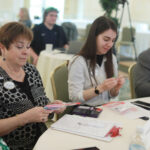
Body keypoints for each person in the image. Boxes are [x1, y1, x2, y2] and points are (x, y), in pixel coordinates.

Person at [0, 22, 65, 150]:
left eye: (28, 46)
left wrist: (52, 106)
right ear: (2, 48)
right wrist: (23, 119)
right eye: (19, 47)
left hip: (42, 140)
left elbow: (41, 102)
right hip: (12, 146)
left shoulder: (31, 70)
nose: (26, 52)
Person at [68, 16, 125, 106]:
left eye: (113, 40)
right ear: (94, 36)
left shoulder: (112, 58)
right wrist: (100, 88)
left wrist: (116, 88)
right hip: (85, 111)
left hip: (105, 109)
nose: (110, 44)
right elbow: (74, 97)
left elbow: (111, 95)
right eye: (106, 39)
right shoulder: (79, 61)